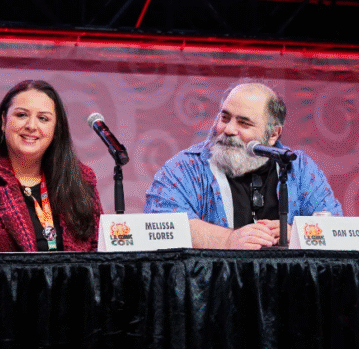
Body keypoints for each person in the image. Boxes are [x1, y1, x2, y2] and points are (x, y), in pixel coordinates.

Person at [144, 82, 342, 249]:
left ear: (273, 134)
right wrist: (228, 240)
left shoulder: (299, 168)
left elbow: (336, 229)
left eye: (244, 123)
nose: (229, 129)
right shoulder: (183, 168)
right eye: (225, 117)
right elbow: (162, 224)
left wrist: (297, 234)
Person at [0, 80, 102, 251]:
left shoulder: (81, 178)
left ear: (56, 130)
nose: (31, 126)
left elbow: (99, 252)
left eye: (43, 118)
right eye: (21, 115)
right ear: (3, 121)